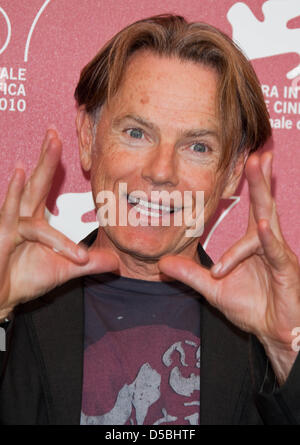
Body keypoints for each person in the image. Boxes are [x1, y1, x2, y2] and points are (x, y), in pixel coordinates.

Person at [0, 14, 299, 425]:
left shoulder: (270, 335)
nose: (161, 171)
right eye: (137, 133)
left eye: (197, 145)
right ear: (89, 139)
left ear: (230, 172)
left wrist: (286, 349)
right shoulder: (15, 312)